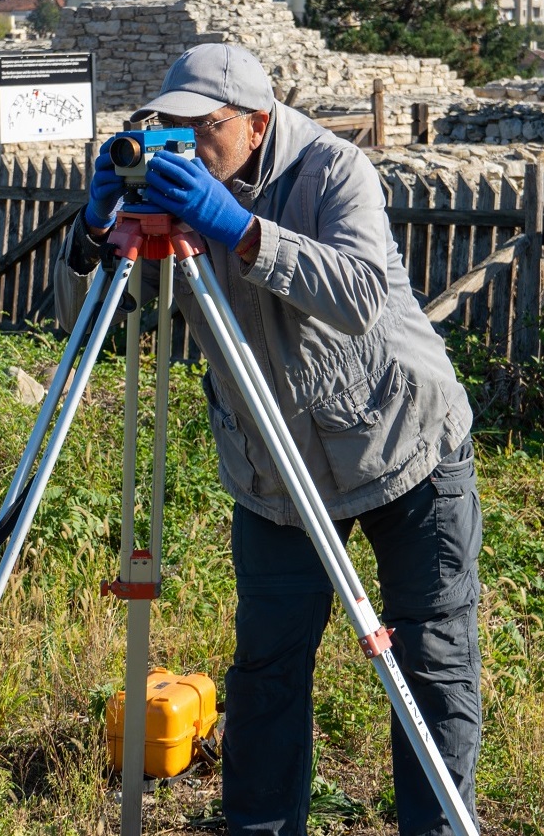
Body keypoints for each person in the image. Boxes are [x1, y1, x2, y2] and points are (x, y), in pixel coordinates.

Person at [54, 43, 482, 836]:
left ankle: (438, 825)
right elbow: (105, 317)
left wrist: (241, 230)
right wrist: (97, 231)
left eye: (200, 128)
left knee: (431, 662)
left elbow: (358, 295)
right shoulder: (175, 192)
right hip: (275, 471)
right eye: (166, 126)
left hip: (401, 447)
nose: (181, 144)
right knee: (266, 673)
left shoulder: (331, 170)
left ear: (255, 123)